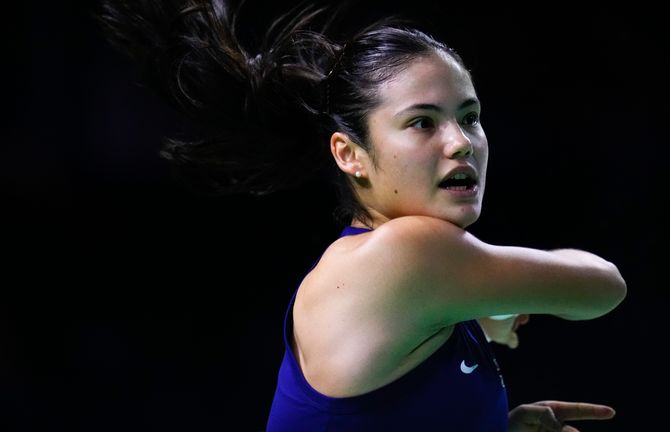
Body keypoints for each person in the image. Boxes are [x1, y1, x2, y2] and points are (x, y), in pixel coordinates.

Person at [97, 1, 627, 431]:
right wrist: (507, 291)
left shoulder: (391, 274)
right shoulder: (410, 252)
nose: (461, 143)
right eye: (422, 122)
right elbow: (603, 287)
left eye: (470, 117)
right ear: (349, 154)